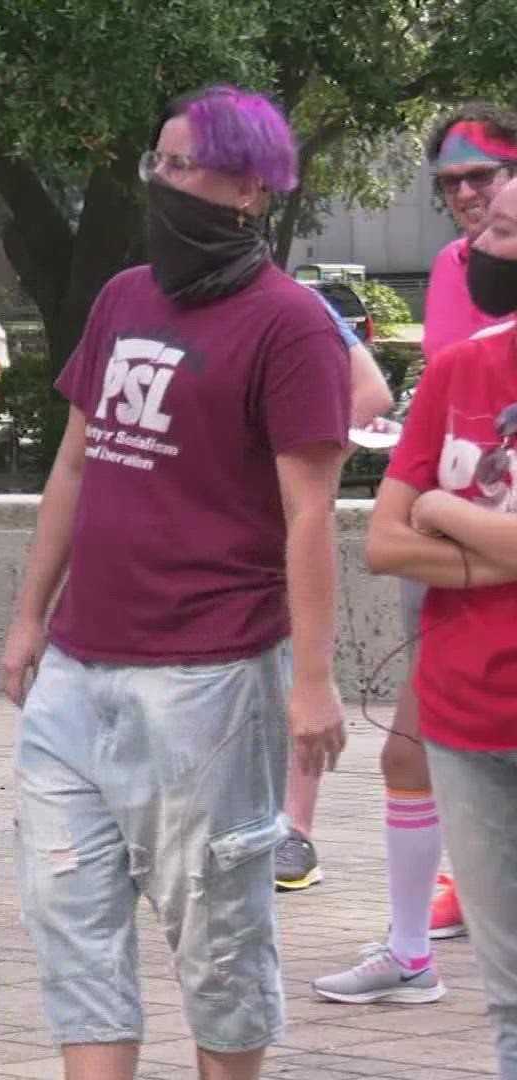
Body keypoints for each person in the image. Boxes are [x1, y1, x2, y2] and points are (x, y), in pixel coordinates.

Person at [0, 87, 350, 1079]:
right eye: (156, 163)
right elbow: (74, 464)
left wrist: (313, 680)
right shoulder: (122, 297)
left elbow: (311, 516)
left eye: (182, 165)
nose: (162, 182)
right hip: (77, 670)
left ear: (250, 185)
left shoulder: (291, 326)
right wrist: (30, 618)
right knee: (71, 921)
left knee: (219, 941)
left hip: (209, 679)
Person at [311, 102, 517, 995]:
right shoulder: (446, 272)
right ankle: (414, 947)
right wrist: (447, 515)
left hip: (465, 537)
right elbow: (437, 429)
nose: (469, 195)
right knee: (412, 746)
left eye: (486, 178)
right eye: (452, 184)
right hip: (455, 561)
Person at [362, 176, 517, 1070]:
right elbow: (384, 540)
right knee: (509, 993)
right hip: (467, 722)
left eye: (498, 232)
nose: (473, 249)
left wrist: (450, 517)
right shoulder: (461, 369)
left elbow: (419, 519)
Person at [272, 287, 395, 892]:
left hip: (279, 526)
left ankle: (295, 830)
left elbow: (372, 394)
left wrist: (308, 462)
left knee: (301, 662)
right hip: (196, 531)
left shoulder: (295, 305)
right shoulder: (148, 301)